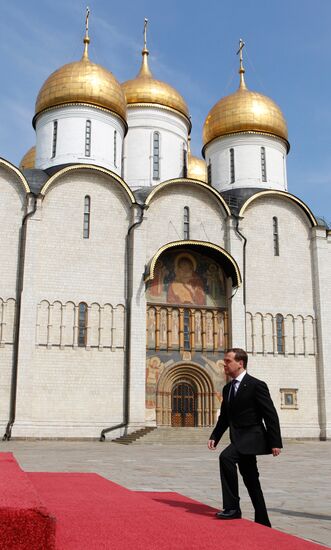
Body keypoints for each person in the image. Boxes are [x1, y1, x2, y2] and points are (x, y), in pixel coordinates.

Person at [208, 348, 282, 527]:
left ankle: (232, 508)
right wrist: (215, 436)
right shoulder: (227, 388)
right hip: (238, 438)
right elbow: (225, 416)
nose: (224, 364)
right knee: (251, 478)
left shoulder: (256, 385)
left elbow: (270, 415)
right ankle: (263, 520)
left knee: (226, 458)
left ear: (240, 363)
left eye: (228, 361)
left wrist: (275, 442)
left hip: (252, 436)